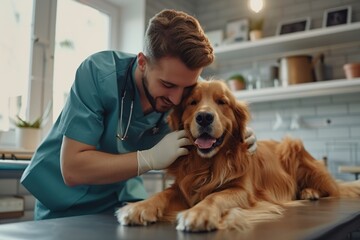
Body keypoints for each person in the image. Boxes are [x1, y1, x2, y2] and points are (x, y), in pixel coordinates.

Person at [21, 9, 257, 220]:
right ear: (142, 62)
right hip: (63, 207)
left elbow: (212, 104)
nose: (176, 99)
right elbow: (72, 169)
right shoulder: (97, 74)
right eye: (167, 84)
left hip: (122, 203)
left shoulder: (185, 90)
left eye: (186, 88)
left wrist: (234, 128)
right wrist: (149, 159)